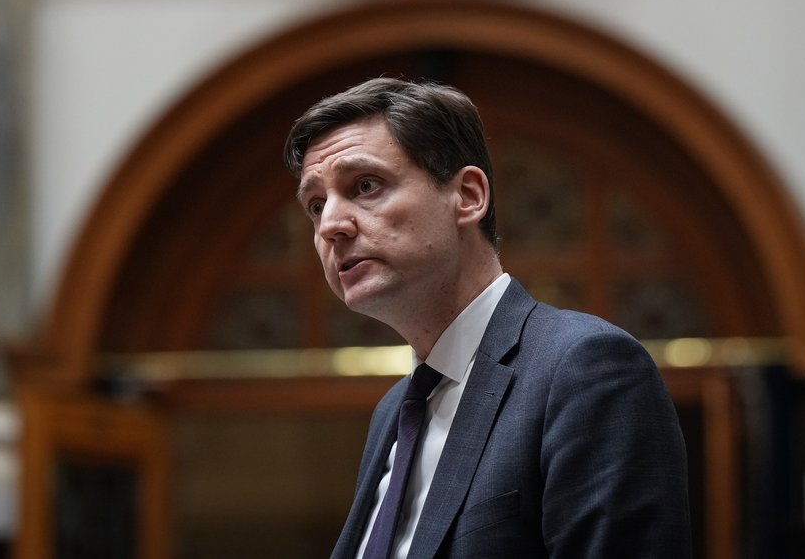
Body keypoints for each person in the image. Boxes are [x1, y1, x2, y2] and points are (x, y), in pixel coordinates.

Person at [284, 77, 692, 559]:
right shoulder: (393, 412)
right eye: (316, 205)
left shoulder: (584, 369)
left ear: (469, 196)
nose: (331, 225)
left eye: (366, 186)